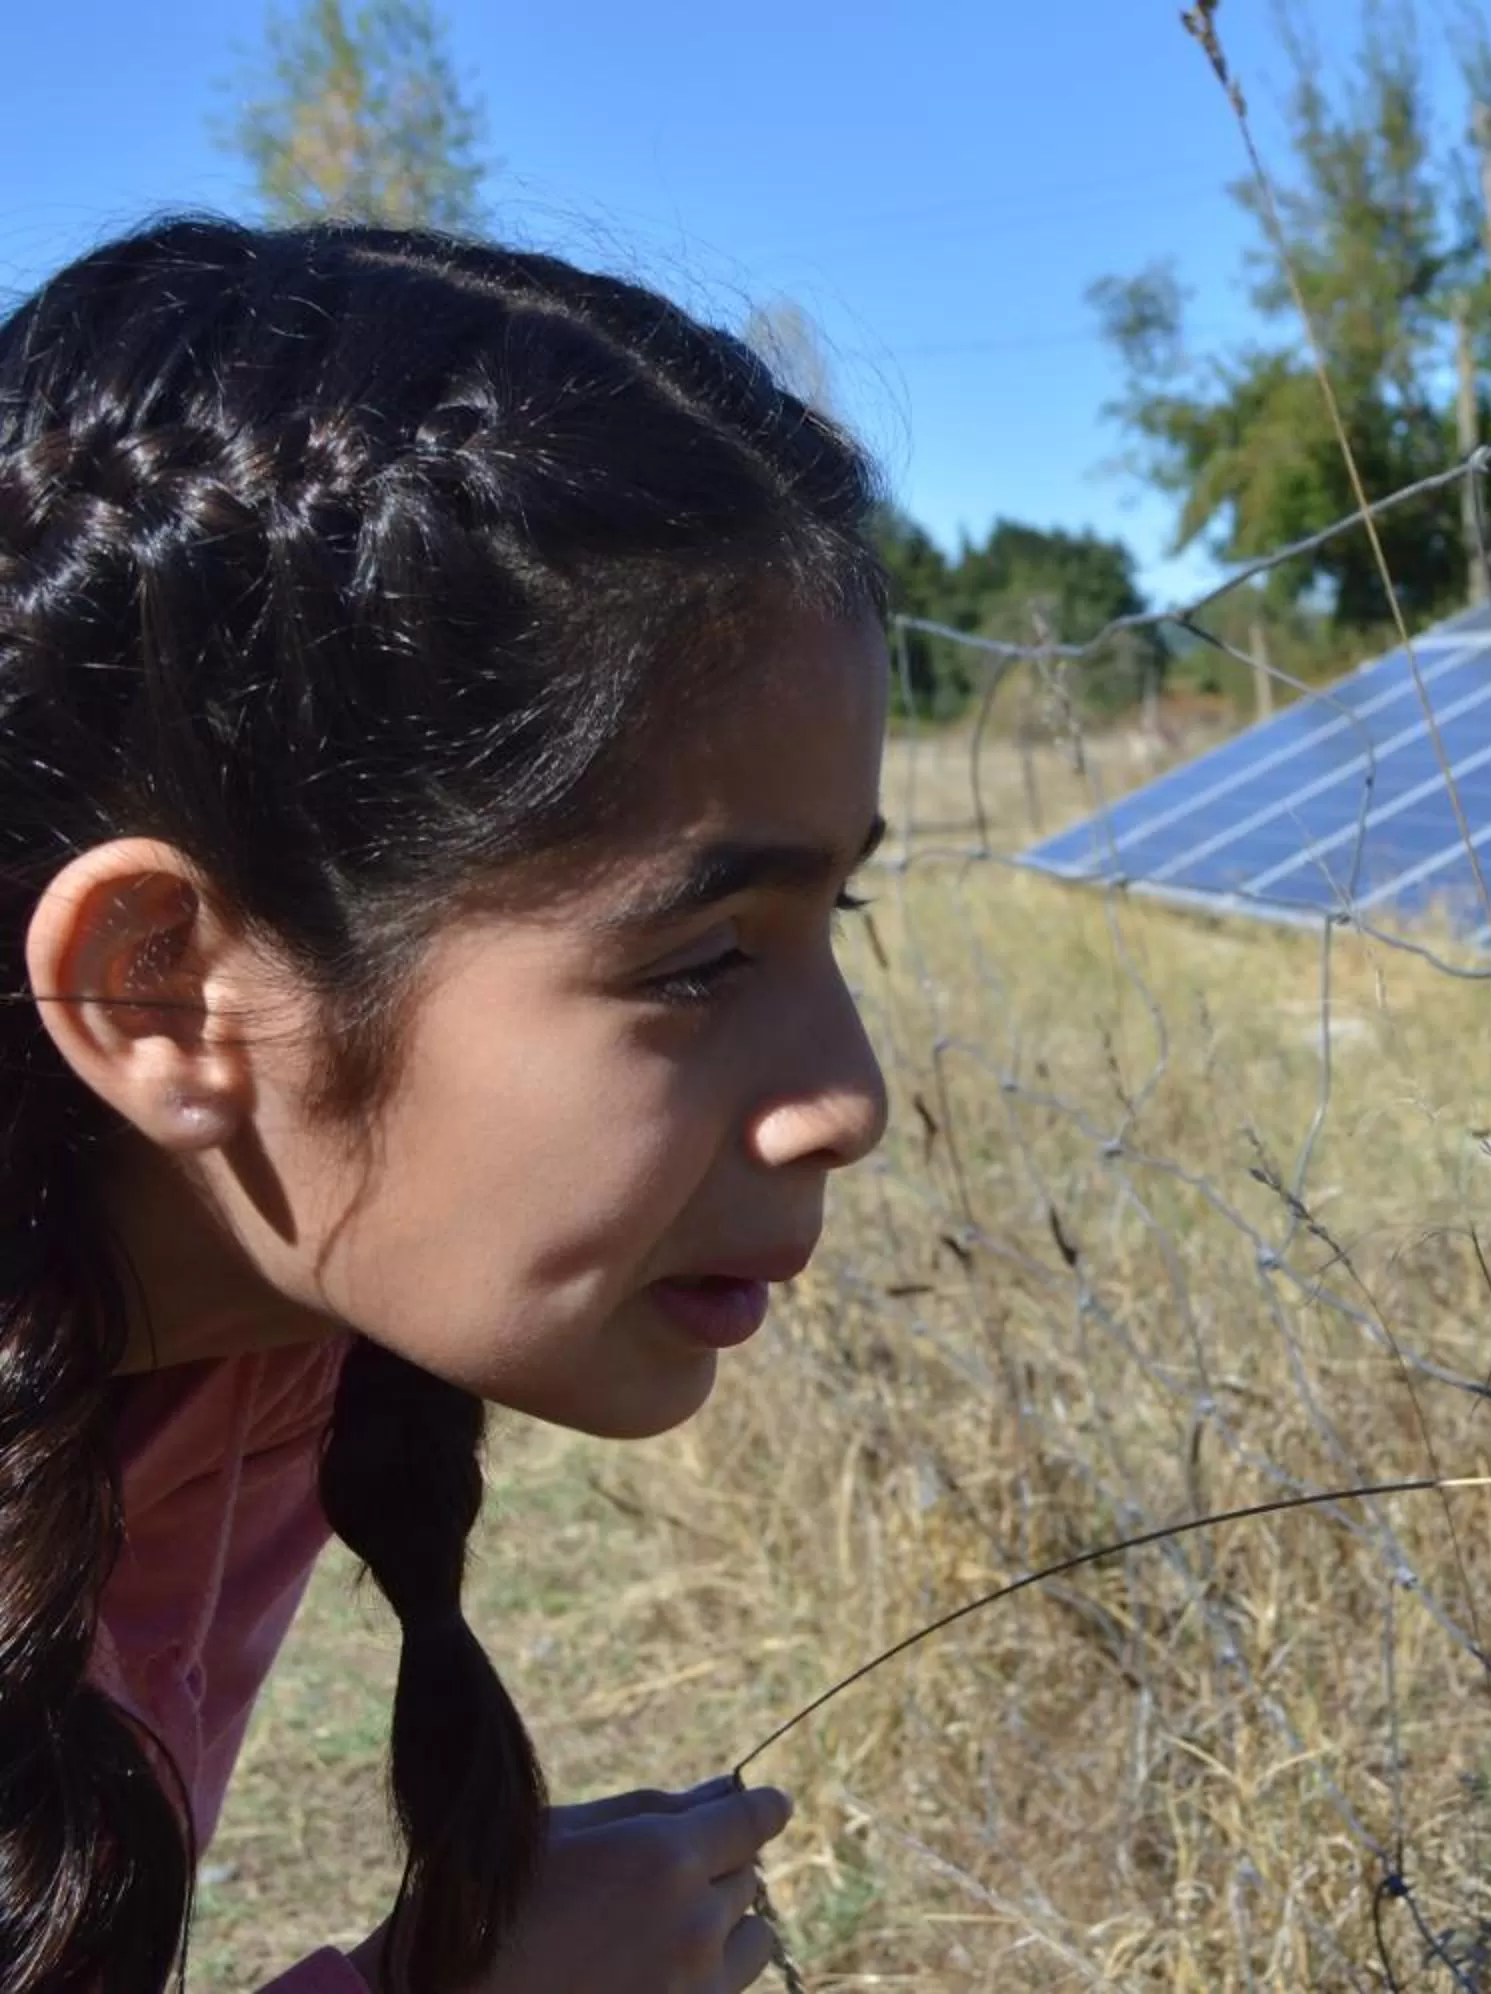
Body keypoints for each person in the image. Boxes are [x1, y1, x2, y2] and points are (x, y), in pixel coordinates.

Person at [0, 214, 894, 1993]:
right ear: (161, 988)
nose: (847, 1100)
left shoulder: (251, 1329)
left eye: (835, 915)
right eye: (702, 957)